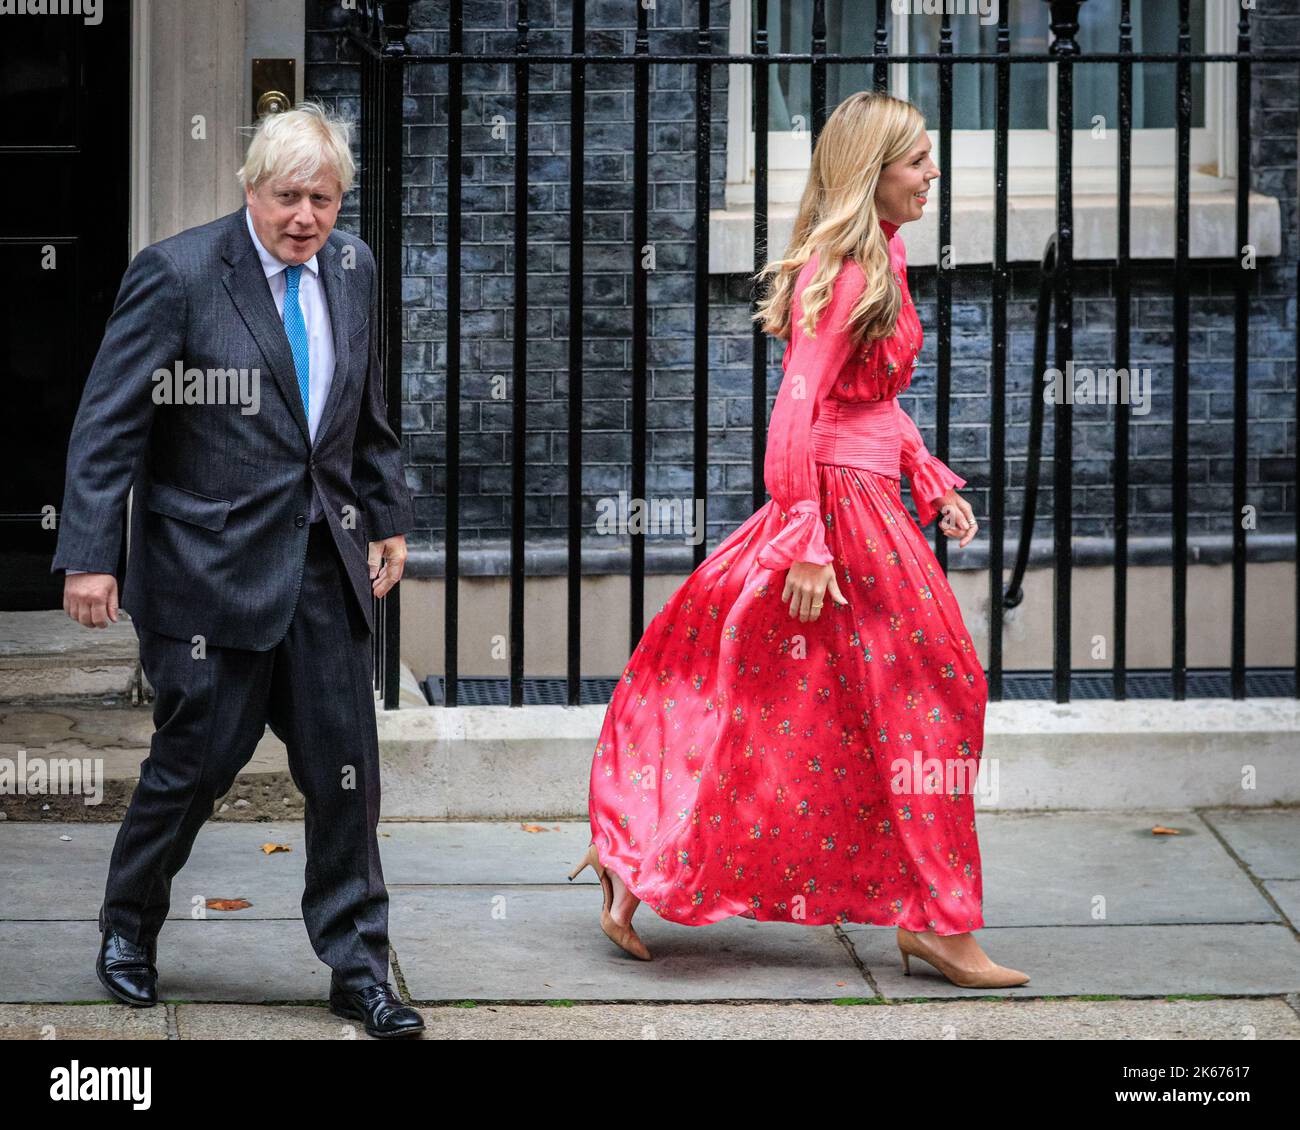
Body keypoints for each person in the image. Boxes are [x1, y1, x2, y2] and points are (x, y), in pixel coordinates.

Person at [571, 91, 1029, 990]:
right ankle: (937, 921)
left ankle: (642, 864)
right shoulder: (847, 268)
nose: (934, 172)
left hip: (867, 500)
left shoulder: (884, 252)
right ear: (872, 173)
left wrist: (928, 475)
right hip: (837, 513)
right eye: (917, 160)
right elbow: (796, 412)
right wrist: (806, 538)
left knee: (779, 704)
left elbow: (870, 400)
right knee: (936, 693)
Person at [52, 102, 425, 1036]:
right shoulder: (178, 275)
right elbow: (109, 423)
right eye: (289, 197)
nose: (307, 218)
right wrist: (92, 555)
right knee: (192, 768)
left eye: (326, 200)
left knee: (347, 774)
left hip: (324, 569)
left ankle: (359, 967)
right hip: (207, 574)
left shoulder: (351, 267)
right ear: (250, 187)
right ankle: (128, 929)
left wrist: (386, 517)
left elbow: (363, 409)